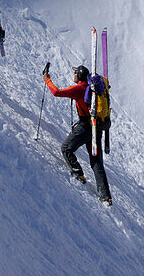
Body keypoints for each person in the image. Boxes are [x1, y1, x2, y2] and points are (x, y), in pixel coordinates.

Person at [44, 64, 112, 205]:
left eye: (75, 72)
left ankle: (78, 173)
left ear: (79, 75)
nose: (74, 74)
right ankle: (106, 197)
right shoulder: (92, 88)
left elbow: (56, 92)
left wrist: (47, 80)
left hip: (84, 127)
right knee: (96, 162)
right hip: (96, 128)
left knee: (66, 148)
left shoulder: (79, 88)